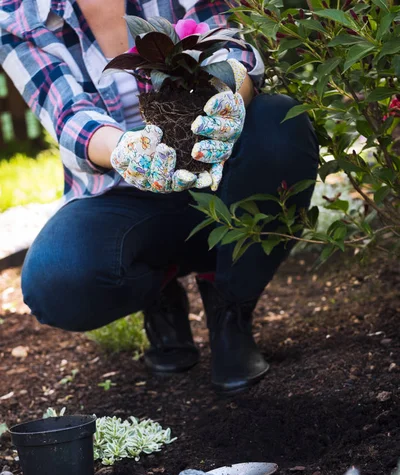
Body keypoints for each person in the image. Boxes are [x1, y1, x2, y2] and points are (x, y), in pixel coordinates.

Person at [0, 0, 319, 393]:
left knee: (279, 126)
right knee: (57, 280)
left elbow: (228, 51)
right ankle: (159, 287)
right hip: (123, 190)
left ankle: (231, 308)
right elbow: (68, 114)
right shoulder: (17, 15)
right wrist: (126, 150)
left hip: (218, 165)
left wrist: (229, 95)